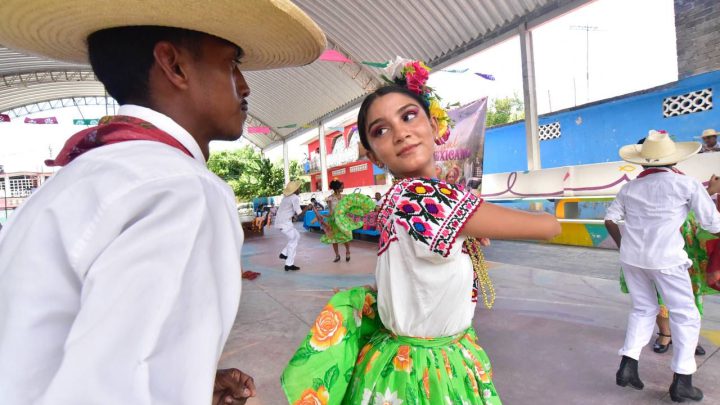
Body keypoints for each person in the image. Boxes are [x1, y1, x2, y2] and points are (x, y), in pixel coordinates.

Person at [0, 1, 325, 404]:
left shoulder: (85, 175)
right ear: (173, 65)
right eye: (231, 64)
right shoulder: (183, 190)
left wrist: (186, 379)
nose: (245, 86)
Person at [282, 58, 560, 404]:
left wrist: (465, 229)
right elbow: (548, 227)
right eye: (381, 130)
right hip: (425, 373)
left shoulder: (403, 198)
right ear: (373, 155)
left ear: (433, 123)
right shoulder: (424, 197)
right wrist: (547, 210)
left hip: (405, 362)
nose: (400, 132)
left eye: (408, 116)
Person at [605, 130, 720, 402]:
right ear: (674, 160)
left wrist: (625, 247)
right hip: (667, 260)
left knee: (643, 309)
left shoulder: (630, 187)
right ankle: (682, 381)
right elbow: (712, 224)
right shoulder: (686, 185)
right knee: (685, 314)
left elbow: (610, 220)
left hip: (632, 260)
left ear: (643, 161)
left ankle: (628, 366)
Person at [314, 179, 353, 262]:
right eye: (341, 187)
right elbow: (331, 212)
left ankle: (348, 251)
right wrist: (323, 215)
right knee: (334, 238)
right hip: (334, 221)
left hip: (343, 220)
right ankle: (337, 255)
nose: (343, 188)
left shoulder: (345, 197)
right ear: (337, 188)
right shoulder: (330, 198)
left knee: (346, 237)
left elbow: (348, 208)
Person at [276, 180, 312, 271]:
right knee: (294, 241)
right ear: (295, 190)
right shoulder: (294, 197)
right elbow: (300, 214)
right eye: (298, 188)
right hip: (285, 223)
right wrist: (307, 207)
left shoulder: (286, 197)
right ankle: (288, 263)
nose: (300, 189)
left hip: (281, 222)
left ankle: (284, 254)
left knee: (296, 236)